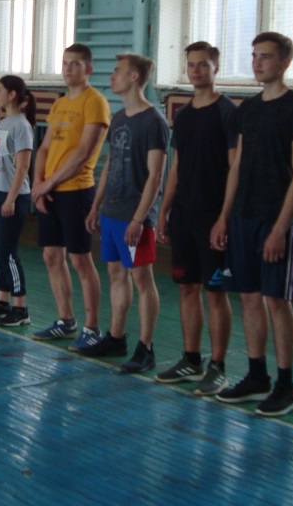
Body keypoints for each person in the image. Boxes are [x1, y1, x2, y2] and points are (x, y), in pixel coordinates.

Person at [211, 32, 293, 417]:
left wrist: (280, 228)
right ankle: (257, 376)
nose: (257, 62)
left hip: (274, 218)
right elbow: (236, 166)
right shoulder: (247, 109)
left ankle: (287, 386)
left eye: (266, 56)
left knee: (276, 301)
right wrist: (224, 216)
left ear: (285, 62)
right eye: (254, 55)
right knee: (249, 297)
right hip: (242, 217)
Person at [155, 42, 237, 395]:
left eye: (203, 64)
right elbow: (176, 167)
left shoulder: (228, 112)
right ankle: (191, 359)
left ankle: (218, 366)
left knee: (215, 292)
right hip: (184, 215)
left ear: (215, 68)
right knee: (187, 287)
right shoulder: (184, 115)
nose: (196, 70)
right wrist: (163, 212)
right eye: (191, 65)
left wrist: (224, 217)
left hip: (212, 215)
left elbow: (235, 168)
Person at [80, 54, 168, 373]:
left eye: (118, 71)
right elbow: (110, 165)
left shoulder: (154, 122)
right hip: (111, 212)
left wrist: (139, 219)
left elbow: (155, 176)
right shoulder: (118, 118)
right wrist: (96, 205)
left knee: (141, 278)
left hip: (135, 215)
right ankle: (116, 337)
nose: (112, 76)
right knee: (116, 274)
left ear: (133, 77)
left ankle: (146, 348)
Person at [30, 44, 109, 349]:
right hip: (49, 191)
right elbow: (44, 148)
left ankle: (92, 327)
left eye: (75, 64)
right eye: (65, 63)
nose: (68, 68)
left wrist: (47, 184)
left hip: (76, 191)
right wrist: (38, 183)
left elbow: (83, 152)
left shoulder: (95, 102)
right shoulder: (60, 103)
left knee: (80, 259)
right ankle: (65, 321)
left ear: (88, 69)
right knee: (51, 256)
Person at [0, 75, 37, 326]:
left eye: (0, 90)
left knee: (9, 252)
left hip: (13, 195)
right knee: (0, 250)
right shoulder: (2, 122)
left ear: (12, 95)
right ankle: (2, 301)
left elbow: (23, 166)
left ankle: (20, 307)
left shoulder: (22, 126)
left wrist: (11, 198)